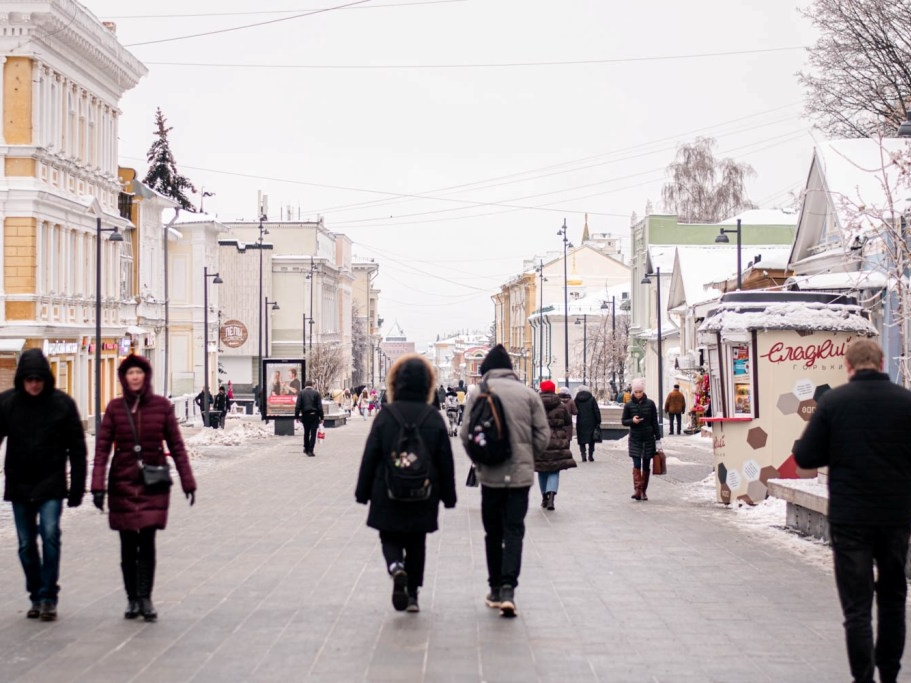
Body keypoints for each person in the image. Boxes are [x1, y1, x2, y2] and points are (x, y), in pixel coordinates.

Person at [793, 339, 911, 683]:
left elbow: (807, 457)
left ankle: (863, 679)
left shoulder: (833, 403)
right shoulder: (906, 403)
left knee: (857, 608)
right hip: (894, 517)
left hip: (850, 519)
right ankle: (889, 675)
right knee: (892, 599)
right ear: (882, 363)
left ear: (847, 365)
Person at [92, 355, 197, 622]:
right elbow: (102, 449)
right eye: (130, 373)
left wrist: (188, 481)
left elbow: (176, 445)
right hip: (123, 482)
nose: (135, 377)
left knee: (147, 542)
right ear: (124, 378)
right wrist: (97, 486)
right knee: (128, 544)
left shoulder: (161, 407)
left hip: (153, 482)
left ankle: (146, 598)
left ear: (146, 376)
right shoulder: (115, 408)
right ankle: (131, 599)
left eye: (139, 372)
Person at [355, 354, 456, 613]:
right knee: (416, 542)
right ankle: (412, 595)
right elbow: (445, 458)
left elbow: (371, 454)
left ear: (395, 383)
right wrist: (448, 495)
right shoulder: (433, 417)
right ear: (427, 385)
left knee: (389, 535)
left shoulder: (386, 415)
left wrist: (363, 491)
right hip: (423, 491)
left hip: (387, 489)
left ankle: (395, 567)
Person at [460, 344, 550, 618]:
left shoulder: (479, 394)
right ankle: (510, 588)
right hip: (521, 478)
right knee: (514, 530)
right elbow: (543, 435)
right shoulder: (528, 394)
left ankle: (495, 589)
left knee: (493, 532)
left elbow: (466, 433)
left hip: (491, 476)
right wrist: (527, 457)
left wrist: (481, 458)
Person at [0, 349, 86, 621]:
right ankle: (35, 594)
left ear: (45, 378)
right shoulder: (8, 403)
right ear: (21, 379)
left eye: (38, 378)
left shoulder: (61, 404)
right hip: (20, 482)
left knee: (50, 535)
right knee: (26, 543)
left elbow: (77, 449)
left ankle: (49, 596)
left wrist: (77, 488)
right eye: (29, 379)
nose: (34, 384)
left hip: (51, 482)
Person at [536, 381, 576, 511]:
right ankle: (552, 498)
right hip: (557, 440)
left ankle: (544, 497)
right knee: (554, 469)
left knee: (542, 469)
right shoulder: (561, 405)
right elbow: (568, 421)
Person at [621, 378, 661, 501]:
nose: (638, 394)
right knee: (636, 463)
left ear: (643, 391)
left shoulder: (650, 404)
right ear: (633, 392)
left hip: (648, 438)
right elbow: (623, 421)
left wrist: (658, 439)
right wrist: (632, 421)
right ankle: (637, 490)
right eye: (636, 392)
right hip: (635, 438)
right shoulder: (629, 405)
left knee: (646, 465)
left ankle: (643, 491)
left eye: (640, 391)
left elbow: (655, 422)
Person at [294, 379, 324, 457]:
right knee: (313, 433)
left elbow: (298, 406)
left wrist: (297, 416)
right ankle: (310, 450)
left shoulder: (301, 393)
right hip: (315, 415)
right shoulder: (316, 393)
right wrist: (322, 417)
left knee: (306, 432)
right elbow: (320, 407)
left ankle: (306, 448)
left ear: (305, 385)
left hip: (305, 415)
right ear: (312, 385)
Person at [574, 385, 601, 462]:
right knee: (591, 439)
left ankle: (583, 456)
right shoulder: (592, 399)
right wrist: (598, 420)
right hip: (591, 422)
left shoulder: (577, 399)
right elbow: (596, 410)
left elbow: (575, 410)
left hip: (580, 422)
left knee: (581, 440)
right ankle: (591, 456)